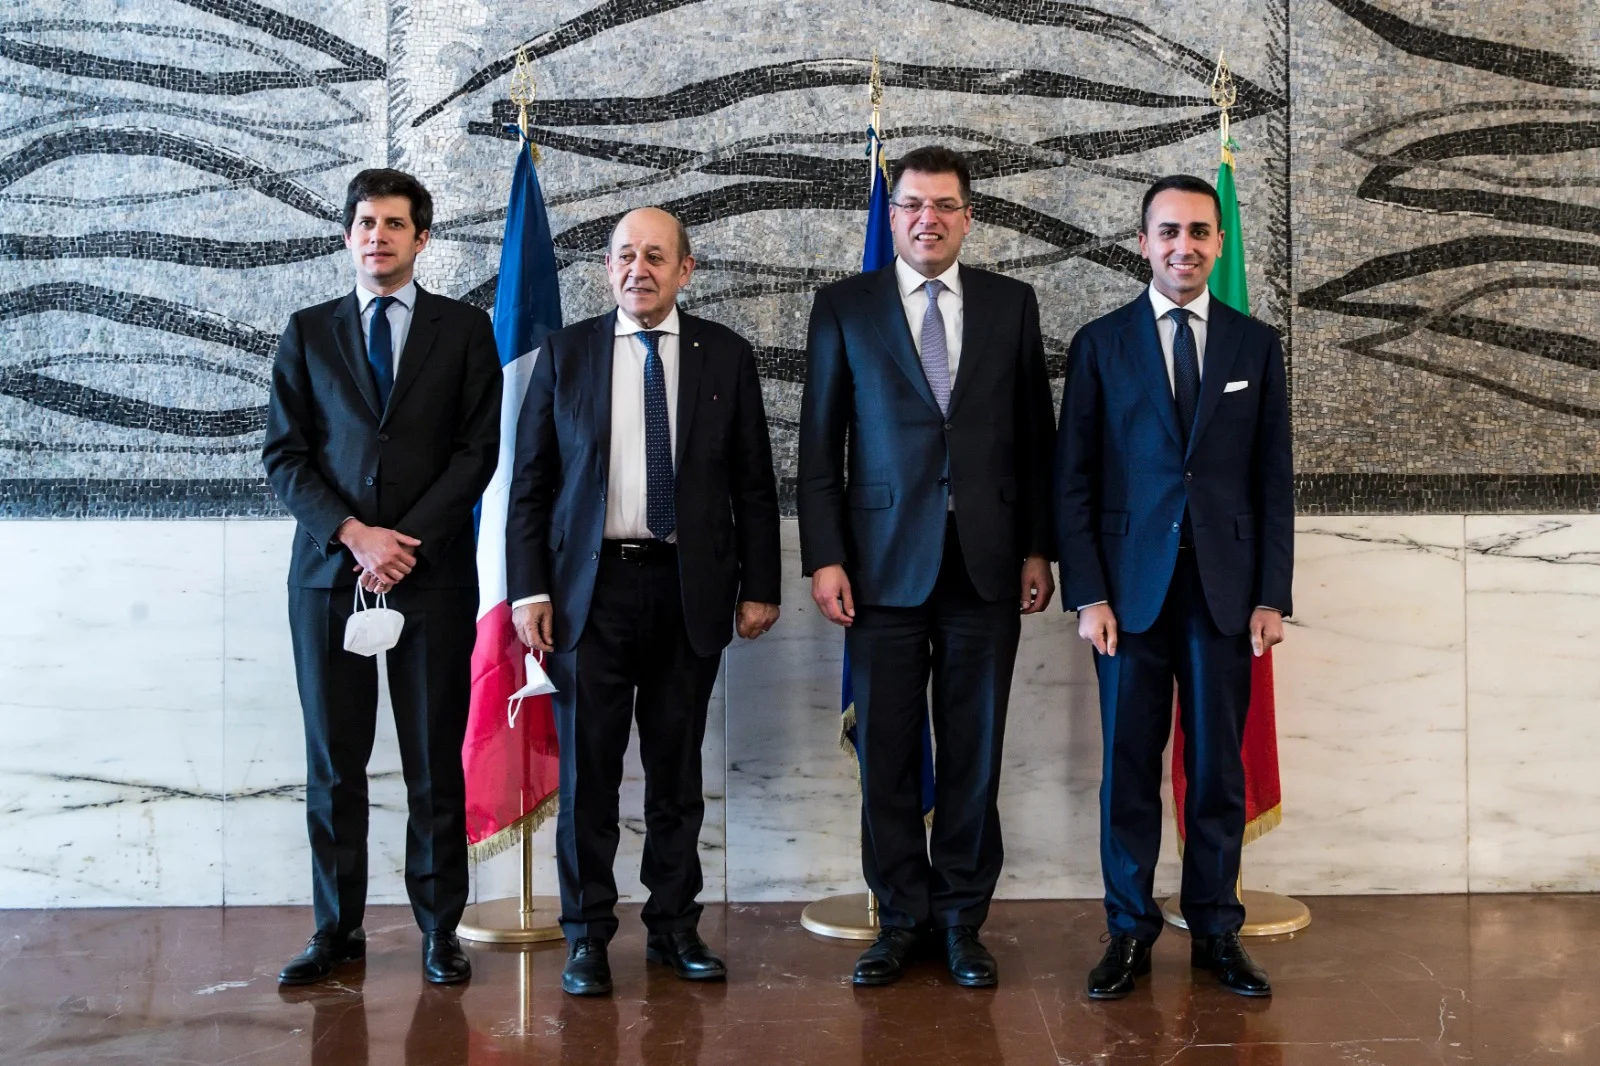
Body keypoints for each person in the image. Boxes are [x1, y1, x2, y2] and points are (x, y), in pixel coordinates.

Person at [505, 207, 781, 996]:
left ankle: (673, 927)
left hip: (687, 590)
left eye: (656, 256)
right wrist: (529, 589)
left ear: (685, 270)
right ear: (607, 269)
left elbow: (753, 483)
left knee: (676, 775)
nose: (639, 269)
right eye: (625, 255)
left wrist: (761, 585)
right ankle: (587, 936)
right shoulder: (566, 354)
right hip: (588, 596)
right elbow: (530, 486)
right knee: (589, 779)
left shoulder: (724, 355)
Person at [798, 145, 1056, 988]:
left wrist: (1038, 546)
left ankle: (960, 922)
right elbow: (819, 448)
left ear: (968, 218)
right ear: (894, 213)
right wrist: (825, 557)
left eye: (945, 205)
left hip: (987, 564)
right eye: (911, 204)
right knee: (889, 752)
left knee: (974, 751)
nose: (927, 219)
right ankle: (900, 918)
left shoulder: (1012, 304)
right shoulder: (844, 306)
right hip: (880, 570)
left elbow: (1036, 438)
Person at [1055, 174, 1293, 999]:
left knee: (1218, 770)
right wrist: (1088, 595)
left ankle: (1217, 931)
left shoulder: (1254, 345)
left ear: (1219, 243)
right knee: (1128, 768)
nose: (1183, 246)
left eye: (1198, 231)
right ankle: (1128, 932)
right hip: (1128, 598)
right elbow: (1074, 480)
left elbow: (1272, 480)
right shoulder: (1101, 344)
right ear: (1144, 242)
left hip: (1227, 594)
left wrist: (1272, 594)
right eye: (1168, 231)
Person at [263, 168, 502, 986]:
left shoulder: (464, 330)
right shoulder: (308, 332)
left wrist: (408, 542)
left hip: (431, 578)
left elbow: (477, 452)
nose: (378, 236)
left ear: (421, 238)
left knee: (434, 760)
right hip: (330, 577)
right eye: (365, 222)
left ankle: (440, 931)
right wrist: (356, 535)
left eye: (395, 224)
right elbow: (285, 456)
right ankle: (336, 931)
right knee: (335, 763)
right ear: (347, 235)